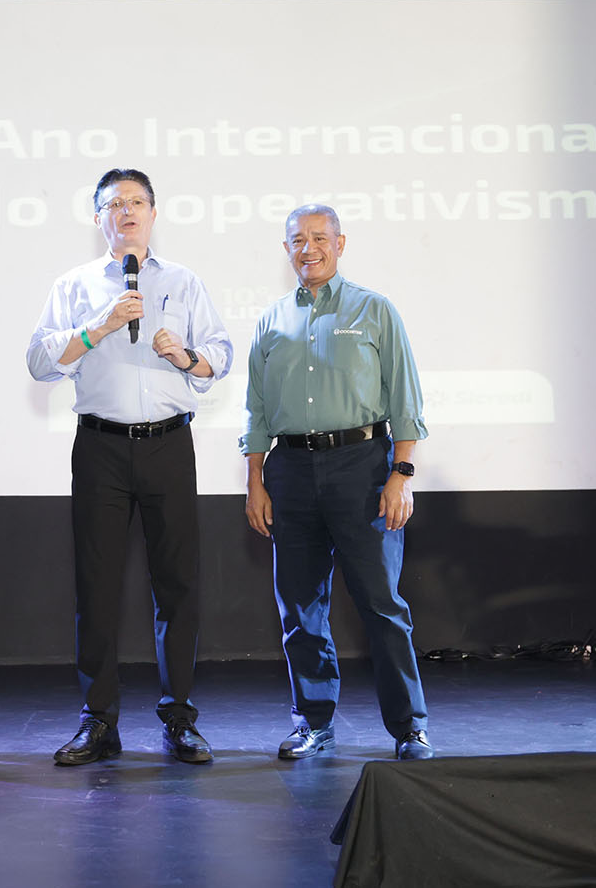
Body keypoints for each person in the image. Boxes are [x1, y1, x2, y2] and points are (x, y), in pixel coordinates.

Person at [27, 168, 233, 766]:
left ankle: (179, 718)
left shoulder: (184, 282)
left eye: (137, 202)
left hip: (169, 444)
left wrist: (186, 356)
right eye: (115, 204)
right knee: (96, 587)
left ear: (153, 213)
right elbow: (39, 362)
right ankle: (98, 721)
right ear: (99, 219)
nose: (127, 211)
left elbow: (220, 355)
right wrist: (100, 327)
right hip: (101, 448)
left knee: (178, 585)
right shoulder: (74, 285)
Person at [241, 203, 433, 761]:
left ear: (340, 244)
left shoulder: (375, 310)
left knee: (381, 604)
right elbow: (256, 409)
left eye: (320, 238)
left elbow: (406, 398)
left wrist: (401, 474)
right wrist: (255, 480)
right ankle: (313, 723)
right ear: (286, 250)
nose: (310, 248)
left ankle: (410, 728)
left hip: (363, 468)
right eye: (298, 240)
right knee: (300, 609)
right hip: (290, 472)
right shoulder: (271, 320)